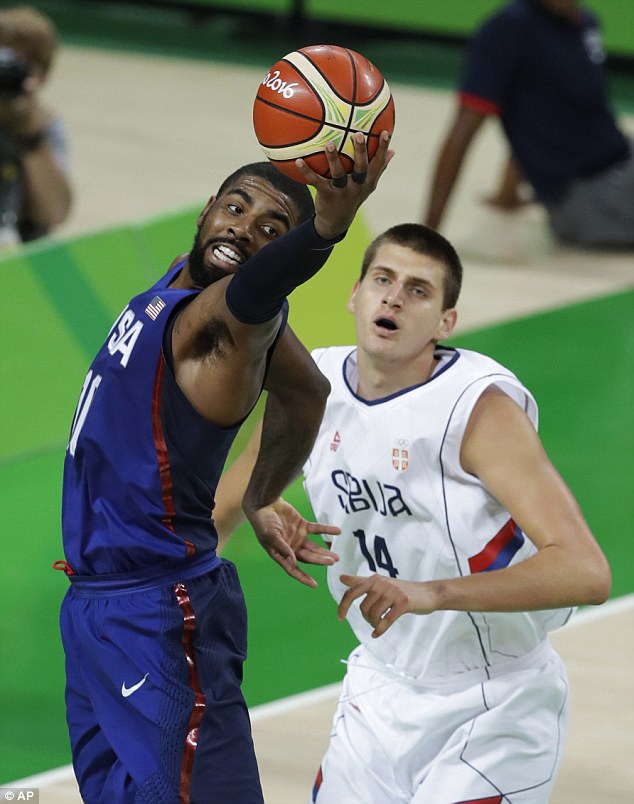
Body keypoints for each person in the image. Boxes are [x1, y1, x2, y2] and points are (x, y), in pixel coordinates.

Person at [215, 222, 611, 803]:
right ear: (355, 295)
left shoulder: (479, 410)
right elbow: (220, 510)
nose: (395, 297)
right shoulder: (311, 389)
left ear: (445, 323)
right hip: (378, 685)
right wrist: (262, 505)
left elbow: (585, 570)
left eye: (419, 290)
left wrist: (432, 593)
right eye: (383, 279)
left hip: (495, 704)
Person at [55, 133, 393, 804]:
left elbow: (261, 291)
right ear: (208, 207)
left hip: (158, 614)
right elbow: (306, 393)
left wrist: (327, 230)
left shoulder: (228, 316)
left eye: (272, 230)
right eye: (235, 209)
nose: (243, 231)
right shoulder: (182, 279)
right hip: (95, 609)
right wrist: (262, 496)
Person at [423, 0, 634, 248]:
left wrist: (507, 193)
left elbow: (541, 110)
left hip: (624, 159)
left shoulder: (584, 21)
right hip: (588, 195)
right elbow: (462, 132)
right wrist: (426, 239)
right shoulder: (507, 30)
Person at [0, 5, 71, 247]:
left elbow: (54, 214)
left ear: (42, 77)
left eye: (21, 65)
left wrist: (31, 136)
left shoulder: (44, 124)